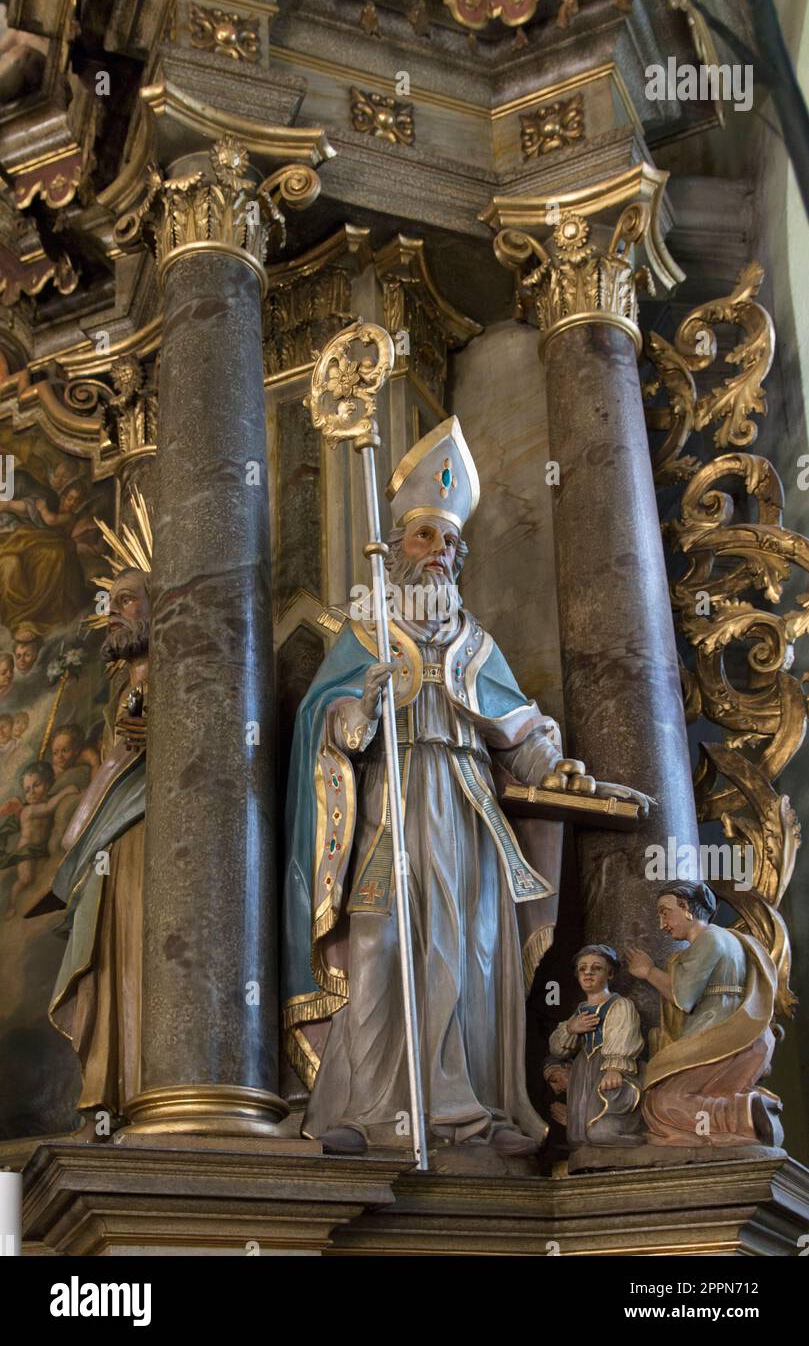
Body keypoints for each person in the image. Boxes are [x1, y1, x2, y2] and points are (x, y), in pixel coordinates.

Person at [283, 417, 649, 1157]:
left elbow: (520, 730)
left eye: (450, 542)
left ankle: (466, 1111)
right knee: (378, 946)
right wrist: (362, 704)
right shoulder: (366, 631)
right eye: (425, 538)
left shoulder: (476, 641)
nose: (439, 554)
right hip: (389, 803)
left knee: (470, 951)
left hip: (462, 805)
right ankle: (369, 1109)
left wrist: (557, 765)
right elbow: (325, 723)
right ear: (398, 547)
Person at [47, 566, 149, 1128]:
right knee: (106, 961)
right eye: (112, 601)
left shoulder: (173, 677)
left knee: (132, 953)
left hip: (144, 839)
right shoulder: (124, 691)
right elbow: (108, 774)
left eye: (129, 600)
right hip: (111, 846)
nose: (115, 611)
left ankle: (142, 1088)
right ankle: (111, 1091)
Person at [626, 883, 783, 1146]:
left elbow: (683, 997)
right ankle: (749, 1109)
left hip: (720, 1033)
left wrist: (648, 971)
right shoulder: (735, 939)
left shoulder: (708, 939)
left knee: (660, 1102)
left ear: (686, 907)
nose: (662, 923)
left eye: (665, 912)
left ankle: (741, 1115)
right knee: (690, 1094)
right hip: (748, 1035)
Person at [548, 945, 644, 1148]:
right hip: (584, 1070)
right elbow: (557, 1049)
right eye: (582, 969)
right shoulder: (580, 1010)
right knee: (577, 1137)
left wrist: (614, 1068)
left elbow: (624, 1035)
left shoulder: (620, 1005)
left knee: (599, 1131)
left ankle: (636, 1138)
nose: (588, 973)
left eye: (596, 968)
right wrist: (572, 1029)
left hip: (609, 1070)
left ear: (610, 973)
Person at [4, 761, 79, 917]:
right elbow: (49, 808)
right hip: (27, 850)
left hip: (41, 848)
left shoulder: (45, 799)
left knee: (39, 877)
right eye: (27, 790)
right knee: (25, 879)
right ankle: (11, 905)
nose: (31, 793)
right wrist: (65, 792)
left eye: (36, 785)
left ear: (47, 784)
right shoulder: (30, 810)